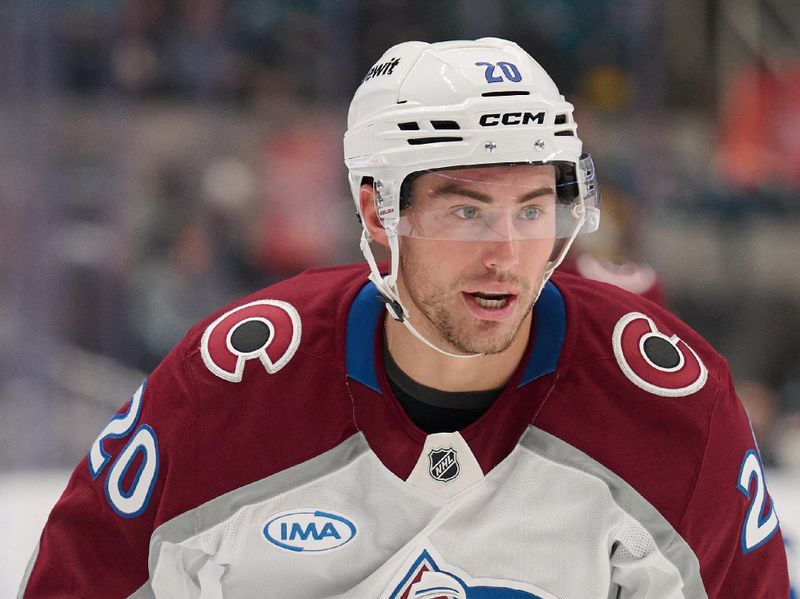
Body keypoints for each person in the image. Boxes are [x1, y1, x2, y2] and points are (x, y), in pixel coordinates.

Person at [19, 38, 789, 598]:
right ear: (379, 212)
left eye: (532, 208)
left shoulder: (670, 407)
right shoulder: (227, 388)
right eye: (467, 210)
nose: (508, 255)